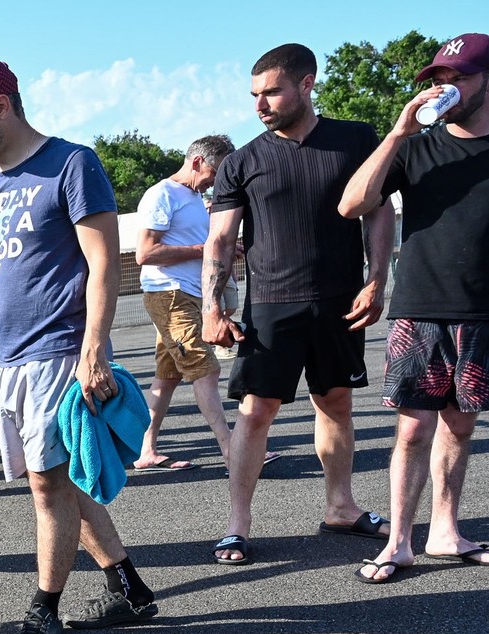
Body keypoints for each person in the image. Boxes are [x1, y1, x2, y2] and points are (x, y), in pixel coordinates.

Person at [0, 57, 159, 634]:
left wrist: (93, 351)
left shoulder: (72, 164)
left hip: (61, 350)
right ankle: (128, 588)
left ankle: (44, 608)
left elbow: (105, 263)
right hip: (14, 359)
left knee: (45, 486)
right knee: (62, 477)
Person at [202, 43, 396, 565]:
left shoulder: (355, 139)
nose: (260, 104)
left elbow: (377, 212)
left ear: (307, 84)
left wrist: (378, 278)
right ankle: (237, 526)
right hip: (270, 304)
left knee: (335, 402)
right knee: (255, 411)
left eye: (271, 91)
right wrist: (211, 307)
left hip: (339, 300)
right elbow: (220, 241)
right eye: (254, 95)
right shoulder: (243, 161)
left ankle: (341, 506)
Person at [337, 32, 489, 582]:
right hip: (421, 305)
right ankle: (399, 542)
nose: (448, 87)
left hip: (482, 311)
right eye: (441, 79)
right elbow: (352, 203)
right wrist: (399, 131)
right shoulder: (416, 147)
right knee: (412, 428)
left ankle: (446, 532)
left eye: (461, 76)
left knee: (461, 425)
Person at [132, 134, 251, 471]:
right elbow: (146, 253)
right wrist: (201, 251)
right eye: (216, 172)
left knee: (167, 376)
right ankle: (233, 451)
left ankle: (146, 450)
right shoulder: (162, 194)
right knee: (206, 369)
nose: (218, 180)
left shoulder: (194, 198)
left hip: (185, 294)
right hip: (168, 294)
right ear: (198, 162)